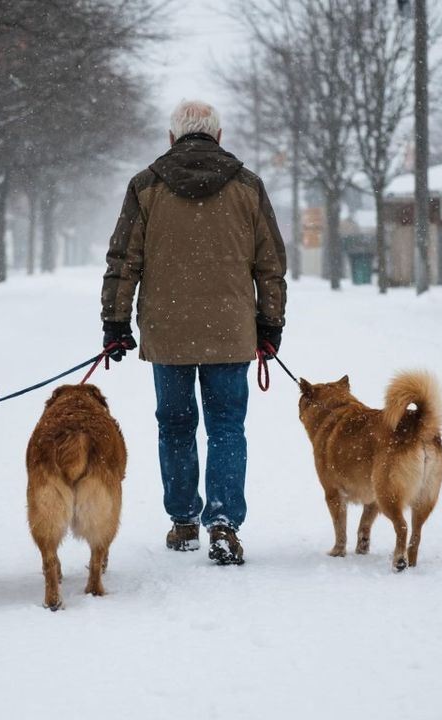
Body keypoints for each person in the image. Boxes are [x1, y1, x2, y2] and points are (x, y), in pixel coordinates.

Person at [100, 100, 287, 565]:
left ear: (172, 138)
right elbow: (270, 265)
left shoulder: (146, 186)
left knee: (176, 425)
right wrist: (271, 322)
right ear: (218, 137)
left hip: (169, 331)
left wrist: (116, 322)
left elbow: (125, 260)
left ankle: (184, 523)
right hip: (229, 330)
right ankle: (223, 524)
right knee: (226, 427)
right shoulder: (247, 187)